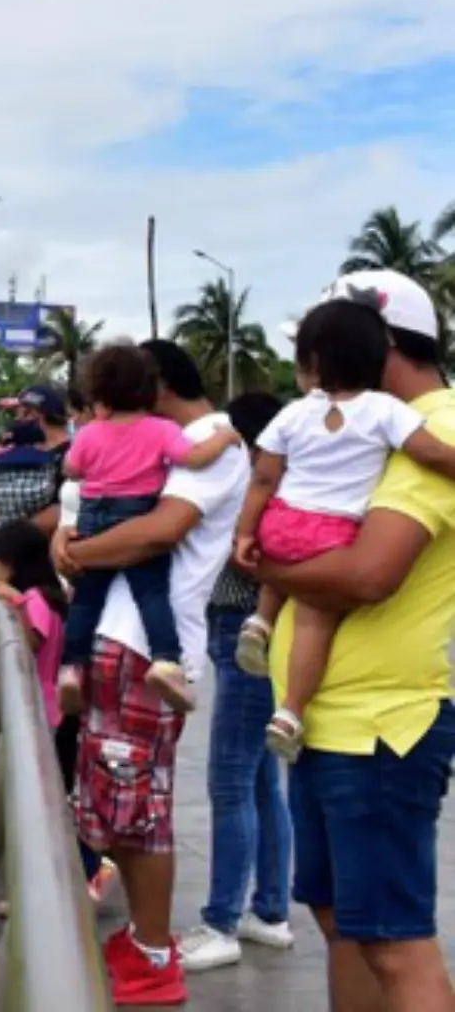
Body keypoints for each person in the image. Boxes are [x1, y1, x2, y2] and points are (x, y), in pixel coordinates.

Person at [252, 270, 455, 1011]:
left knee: (394, 940)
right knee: (344, 923)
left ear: (385, 349)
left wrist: (257, 560)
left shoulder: (434, 427)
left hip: (381, 728)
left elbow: (368, 575)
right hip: (327, 723)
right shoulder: (363, 425)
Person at [52, 338, 248, 1005]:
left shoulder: (210, 442)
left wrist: (77, 551)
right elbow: (86, 497)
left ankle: (153, 957)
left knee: (141, 805)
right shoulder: (161, 438)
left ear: (154, 383)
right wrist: (66, 538)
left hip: (146, 648)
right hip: (117, 640)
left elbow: (156, 532)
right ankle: (143, 941)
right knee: (113, 801)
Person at [233, 297, 455, 763]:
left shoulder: (296, 412)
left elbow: (265, 478)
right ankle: (291, 708)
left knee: (306, 581)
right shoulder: (386, 414)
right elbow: (433, 455)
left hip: (373, 730)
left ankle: (261, 621)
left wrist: (247, 539)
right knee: (316, 608)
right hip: (328, 533)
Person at [177, 390, 297, 974]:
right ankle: (269, 910)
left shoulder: (265, 493)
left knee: (229, 780)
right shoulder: (288, 487)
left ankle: (221, 921)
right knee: (258, 782)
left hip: (246, 635)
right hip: (258, 636)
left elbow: (248, 558)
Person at [57, 344, 243, 715]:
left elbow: (72, 470)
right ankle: (166, 660)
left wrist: (69, 550)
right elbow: (193, 460)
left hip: (95, 527)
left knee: (85, 601)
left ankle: (69, 668)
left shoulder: (92, 432)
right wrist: (224, 437)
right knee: (152, 595)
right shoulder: (164, 431)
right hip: (135, 637)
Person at [0, 519, 116, 900]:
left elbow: (31, 641)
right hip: (53, 709)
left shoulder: (37, 598)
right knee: (51, 796)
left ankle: (83, 870)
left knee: (44, 799)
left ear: (13, 562)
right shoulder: (50, 594)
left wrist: (13, 602)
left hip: (44, 710)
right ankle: (87, 866)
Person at [0, 384, 74, 535]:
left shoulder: (71, 455)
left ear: (32, 413)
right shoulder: (24, 453)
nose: (16, 419)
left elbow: (66, 509)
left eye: (18, 412)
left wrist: (10, 535)